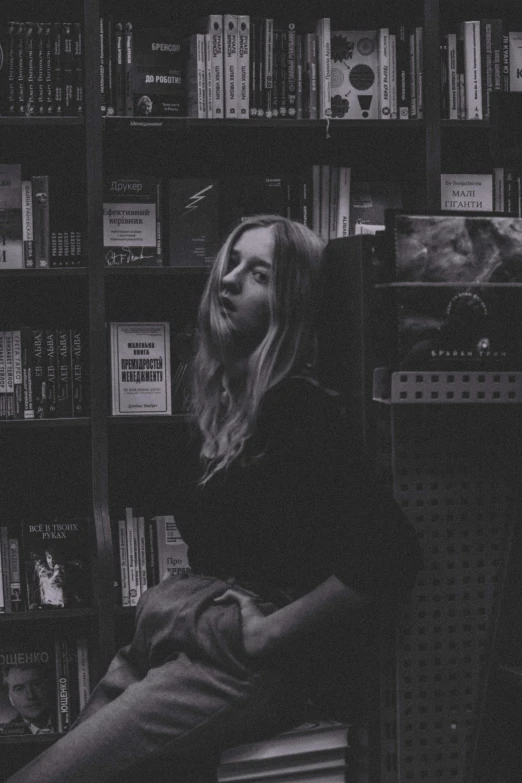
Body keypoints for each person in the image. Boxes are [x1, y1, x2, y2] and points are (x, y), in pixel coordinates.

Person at [7, 215, 422, 783]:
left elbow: (390, 550)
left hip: (244, 664)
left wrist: (268, 634)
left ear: (290, 304)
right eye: (230, 263)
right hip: (177, 632)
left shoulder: (299, 409)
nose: (228, 280)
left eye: (258, 275)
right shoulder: (223, 406)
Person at [1, 664, 54, 735]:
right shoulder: (5, 736)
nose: (31, 696)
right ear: (10, 697)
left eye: (36, 684)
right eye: (19, 689)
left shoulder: (69, 722)